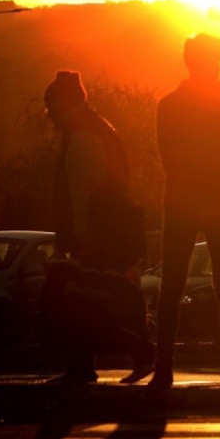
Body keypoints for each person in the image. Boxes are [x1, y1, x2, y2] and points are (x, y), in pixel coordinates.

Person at [147, 33, 220, 395]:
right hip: (216, 199)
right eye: (215, 58)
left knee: (172, 287)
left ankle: (164, 372)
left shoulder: (170, 105)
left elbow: (170, 159)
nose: (218, 64)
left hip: (183, 201)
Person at [43, 70, 155, 387]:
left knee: (89, 298)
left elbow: (82, 191)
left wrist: (80, 233)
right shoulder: (100, 128)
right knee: (92, 299)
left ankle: (135, 352)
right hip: (112, 228)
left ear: (62, 104)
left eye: (50, 107)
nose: (49, 116)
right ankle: (91, 362)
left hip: (97, 232)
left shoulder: (81, 135)